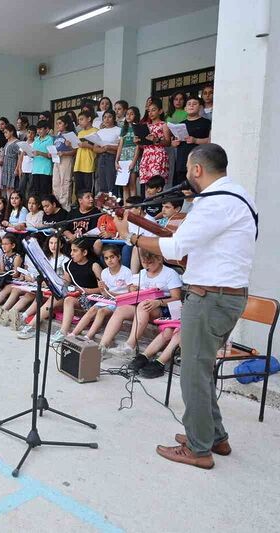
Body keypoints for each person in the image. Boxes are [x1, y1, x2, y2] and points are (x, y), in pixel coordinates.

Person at [113, 144, 255, 468]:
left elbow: (176, 247)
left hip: (210, 298)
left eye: (187, 170)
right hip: (223, 296)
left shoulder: (214, 201)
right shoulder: (237, 195)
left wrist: (131, 238)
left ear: (196, 170)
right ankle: (213, 436)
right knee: (200, 369)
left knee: (192, 372)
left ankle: (198, 448)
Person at [171, 96, 211, 186]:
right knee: (182, 190)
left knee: (197, 188)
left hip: (199, 161)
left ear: (200, 107)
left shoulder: (206, 123)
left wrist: (196, 140)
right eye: (189, 104)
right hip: (182, 162)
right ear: (185, 108)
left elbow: (210, 140)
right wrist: (174, 143)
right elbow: (173, 142)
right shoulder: (180, 124)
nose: (191, 106)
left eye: (194, 104)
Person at [137, 100, 170, 187]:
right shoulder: (146, 126)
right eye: (149, 111)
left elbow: (168, 142)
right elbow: (143, 144)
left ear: (160, 111)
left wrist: (156, 140)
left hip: (158, 155)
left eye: (153, 110)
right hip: (147, 155)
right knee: (146, 183)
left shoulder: (164, 125)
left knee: (156, 183)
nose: (150, 113)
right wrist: (137, 142)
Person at [115, 106, 142, 201]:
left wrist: (134, 162)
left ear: (136, 115)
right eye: (127, 114)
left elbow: (138, 146)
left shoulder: (138, 128)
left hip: (133, 155)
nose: (129, 116)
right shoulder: (124, 128)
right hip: (123, 156)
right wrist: (116, 161)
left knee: (132, 184)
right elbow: (120, 145)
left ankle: (133, 207)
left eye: (131, 114)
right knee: (124, 185)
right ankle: (126, 207)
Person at [52, 114, 76, 210]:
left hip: (66, 159)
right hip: (57, 160)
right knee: (56, 182)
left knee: (65, 182)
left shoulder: (70, 135)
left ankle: (66, 206)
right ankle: (57, 204)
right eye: (57, 124)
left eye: (60, 123)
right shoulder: (57, 136)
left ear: (66, 124)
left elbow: (75, 150)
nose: (58, 125)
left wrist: (65, 152)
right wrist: (52, 153)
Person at [93, 110, 120, 193]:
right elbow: (95, 148)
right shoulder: (100, 132)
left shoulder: (118, 130)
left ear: (114, 118)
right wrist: (104, 149)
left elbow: (120, 146)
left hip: (112, 157)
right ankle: (103, 204)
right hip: (101, 157)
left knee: (111, 183)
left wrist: (109, 147)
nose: (107, 119)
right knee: (102, 183)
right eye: (104, 117)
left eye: (109, 117)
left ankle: (113, 204)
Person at [73, 110, 99, 196]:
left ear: (89, 119)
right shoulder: (80, 133)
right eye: (78, 120)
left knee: (88, 189)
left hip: (89, 164)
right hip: (78, 164)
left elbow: (98, 148)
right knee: (78, 189)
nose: (79, 121)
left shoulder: (96, 131)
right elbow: (76, 148)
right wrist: (70, 144)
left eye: (81, 119)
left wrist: (87, 146)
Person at [29, 121, 54, 199]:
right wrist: (29, 153)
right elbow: (34, 153)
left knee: (44, 192)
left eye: (41, 129)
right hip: (35, 169)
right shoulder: (36, 139)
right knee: (36, 192)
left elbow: (51, 155)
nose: (38, 131)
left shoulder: (50, 139)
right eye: (38, 129)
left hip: (45, 170)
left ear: (47, 130)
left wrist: (40, 153)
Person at [1, 124, 21, 200]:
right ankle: (9, 203)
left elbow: (19, 156)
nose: (5, 134)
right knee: (7, 187)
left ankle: (12, 203)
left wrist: (17, 168)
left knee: (12, 187)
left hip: (12, 165)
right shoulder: (7, 142)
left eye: (6, 132)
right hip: (6, 165)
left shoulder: (17, 142)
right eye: (4, 133)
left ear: (11, 132)